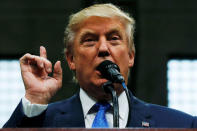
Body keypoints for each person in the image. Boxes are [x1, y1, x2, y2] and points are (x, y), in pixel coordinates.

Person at [3, 3, 197, 128]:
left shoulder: (181, 124)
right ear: (71, 60)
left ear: (130, 56)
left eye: (113, 39)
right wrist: (35, 98)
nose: (103, 48)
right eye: (89, 40)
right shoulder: (42, 122)